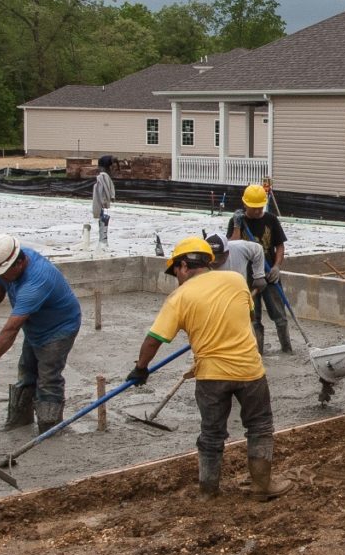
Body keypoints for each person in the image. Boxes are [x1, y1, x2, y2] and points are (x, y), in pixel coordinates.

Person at [124, 236, 276, 498]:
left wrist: (140, 369)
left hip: (211, 377)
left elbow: (153, 340)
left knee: (212, 434)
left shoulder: (179, 297)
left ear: (184, 266)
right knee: (260, 427)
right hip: (250, 370)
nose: (177, 278)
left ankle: (208, 491)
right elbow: (246, 315)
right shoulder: (237, 280)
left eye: (176, 273)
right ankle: (262, 487)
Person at [0, 233, 83, 432]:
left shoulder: (36, 281)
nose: (2, 276)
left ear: (19, 264)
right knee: (26, 370)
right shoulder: (10, 263)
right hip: (35, 326)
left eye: (4, 272)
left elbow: (11, 329)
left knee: (48, 377)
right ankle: (19, 421)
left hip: (59, 329)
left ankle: (49, 428)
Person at [226, 182, 292, 353]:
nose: (257, 211)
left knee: (280, 316)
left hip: (269, 274)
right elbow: (231, 246)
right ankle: (257, 353)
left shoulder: (270, 220)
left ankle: (287, 348)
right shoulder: (236, 221)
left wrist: (277, 267)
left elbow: (280, 246)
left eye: (259, 207)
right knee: (253, 318)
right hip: (246, 279)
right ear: (245, 204)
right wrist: (237, 225)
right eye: (253, 208)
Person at [206, 229, 271, 351]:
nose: (214, 261)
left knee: (247, 325)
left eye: (218, 257)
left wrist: (259, 275)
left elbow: (258, 249)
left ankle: (253, 353)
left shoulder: (239, 248)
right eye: (211, 257)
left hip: (239, 297)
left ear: (226, 252)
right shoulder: (198, 260)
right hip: (213, 301)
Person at [90, 155, 116, 247]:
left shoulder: (103, 177)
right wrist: (106, 200)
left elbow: (106, 189)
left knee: (102, 219)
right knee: (102, 219)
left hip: (100, 202)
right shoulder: (103, 177)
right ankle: (103, 240)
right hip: (101, 203)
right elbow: (104, 190)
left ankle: (103, 239)